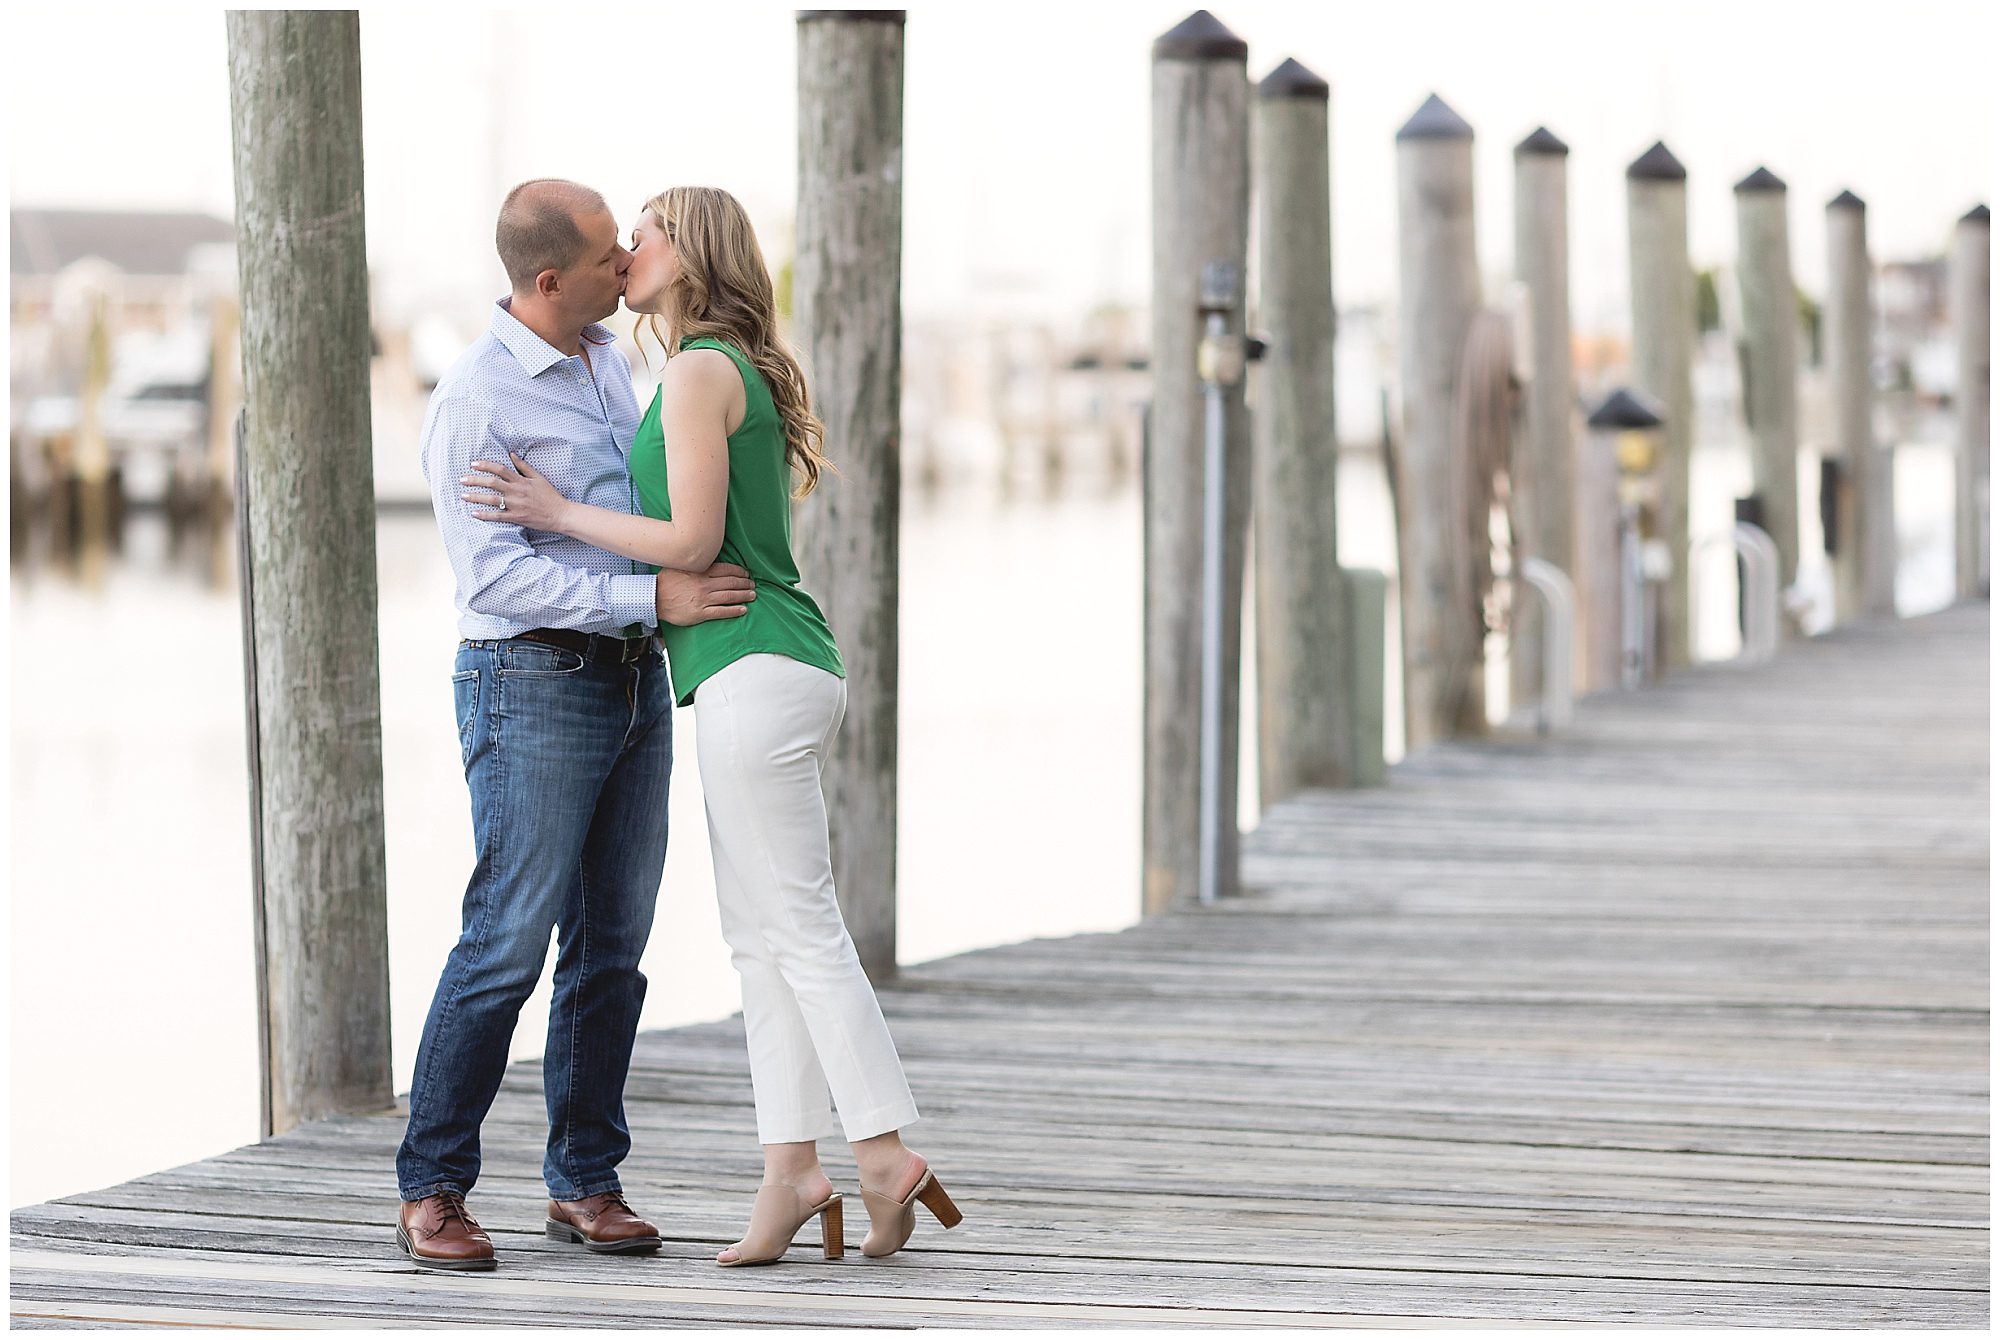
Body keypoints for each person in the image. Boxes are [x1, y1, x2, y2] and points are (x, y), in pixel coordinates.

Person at [461, 185, 960, 1267]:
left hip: (751, 667)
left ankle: (880, 1150)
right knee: (760, 939)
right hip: (765, 667)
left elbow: (688, 543)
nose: (630, 246)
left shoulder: (694, 370)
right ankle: (790, 1171)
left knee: (801, 927)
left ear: (692, 256)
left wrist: (553, 512)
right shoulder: (706, 363)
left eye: (649, 229)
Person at [397, 178, 759, 1272]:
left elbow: (636, 512)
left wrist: (659, 600)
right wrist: (652, 597)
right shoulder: (473, 400)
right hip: (531, 682)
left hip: (634, 680)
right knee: (505, 938)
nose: (625, 263)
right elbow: (496, 579)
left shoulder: (610, 355)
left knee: (613, 947)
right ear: (548, 279)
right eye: (608, 253)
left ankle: (584, 1180)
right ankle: (433, 1187)